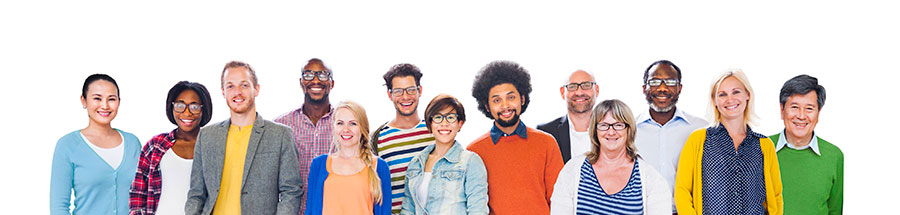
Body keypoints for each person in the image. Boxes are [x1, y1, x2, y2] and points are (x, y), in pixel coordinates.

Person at [185, 61, 302, 215]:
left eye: (244, 85)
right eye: (230, 86)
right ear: (223, 92)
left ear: (256, 89)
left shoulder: (280, 135)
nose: (237, 92)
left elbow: (291, 191)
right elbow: (196, 194)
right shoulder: (207, 136)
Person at [674, 69, 783, 215]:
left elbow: (775, 196)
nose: (730, 99)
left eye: (736, 92)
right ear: (714, 101)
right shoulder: (698, 140)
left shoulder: (764, 145)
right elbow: (682, 191)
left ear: (747, 95)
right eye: (722, 94)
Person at [466, 61, 564, 214]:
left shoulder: (546, 143)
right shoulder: (474, 151)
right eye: (497, 100)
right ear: (487, 106)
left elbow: (560, 199)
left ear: (522, 99)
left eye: (511, 97)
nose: (505, 105)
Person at [551, 99, 671, 215]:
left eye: (618, 125)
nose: (611, 132)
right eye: (604, 125)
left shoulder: (652, 179)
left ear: (629, 129)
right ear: (594, 130)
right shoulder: (572, 171)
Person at [50, 74, 141, 215]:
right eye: (97, 98)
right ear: (84, 100)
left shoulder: (133, 143)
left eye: (111, 99)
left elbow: (143, 195)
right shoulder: (67, 146)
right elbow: (59, 208)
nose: (105, 105)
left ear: (119, 102)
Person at [632, 60, 707, 213]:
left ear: (679, 88)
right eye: (654, 81)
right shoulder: (628, 130)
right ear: (644, 88)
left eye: (671, 82)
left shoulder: (701, 128)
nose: (662, 88)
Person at [129, 81, 214, 215]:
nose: (187, 113)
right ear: (172, 107)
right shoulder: (155, 145)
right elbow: (137, 193)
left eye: (194, 106)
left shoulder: (214, 148)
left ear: (204, 109)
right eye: (180, 105)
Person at [400, 94, 488, 215]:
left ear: (460, 124)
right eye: (438, 117)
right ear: (430, 124)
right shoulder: (416, 162)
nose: (444, 123)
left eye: (451, 117)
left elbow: (478, 210)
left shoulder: (471, 161)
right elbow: (408, 210)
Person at [770, 74, 842, 214]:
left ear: (818, 113)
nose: (801, 116)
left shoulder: (834, 156)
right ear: (782, 110)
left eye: (809, 108)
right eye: (795, 107)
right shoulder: (760, 148)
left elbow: (835, 211)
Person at [305, 101, 392, 215]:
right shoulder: (318, 164)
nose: (346, 129)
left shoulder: (379, 166)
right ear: (334, 127)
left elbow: (384, 211)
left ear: (362, 128)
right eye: (340, 123)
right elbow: (310, 210)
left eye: (353, 124)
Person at [370, 63, 435, 214]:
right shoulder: (377, 138)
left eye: (411, 90)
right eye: (398, 91)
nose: (405, 97)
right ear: (389, 94)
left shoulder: (435, 131)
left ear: (420, 91)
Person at [274, 58, 336, 213]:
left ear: (332, 83)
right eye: (308, 75)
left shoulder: (345, 124)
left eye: (323, 75)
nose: (315, 80)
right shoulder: (281, 125)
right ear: (301, 82)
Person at [538, 70, 599, 162]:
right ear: (563, 92)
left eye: (586, 85)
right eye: (572, 87)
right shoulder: (545, 133)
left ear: (596, 90)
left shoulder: (613, 131)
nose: (579, 92)